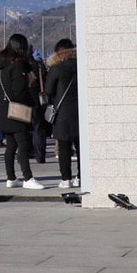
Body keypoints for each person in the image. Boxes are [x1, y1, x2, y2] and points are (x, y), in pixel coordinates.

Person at [0, 34, 44, 191]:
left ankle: (11, 178)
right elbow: (19, 91)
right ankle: (28, 178)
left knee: (11, 145)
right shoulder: (18, 65)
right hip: (17, 110)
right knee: (23, 144)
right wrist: (30, 101)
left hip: (4, 111)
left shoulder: (2, 65)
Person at [44, 38, 80, 188]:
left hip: (62, 113)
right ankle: (81, 176)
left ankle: (66, 179)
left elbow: (48, 90)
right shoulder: (81, 64)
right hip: (80, 111)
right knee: (81, 146)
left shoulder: (57, 68)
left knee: (64, 147)